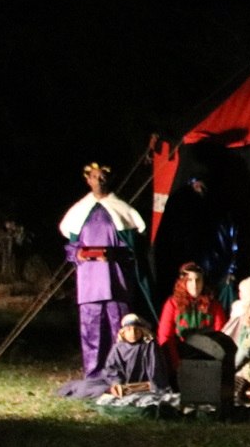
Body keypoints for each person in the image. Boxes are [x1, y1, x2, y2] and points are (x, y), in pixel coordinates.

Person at [58, 162, 147, 378]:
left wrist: (114, 254)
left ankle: (123, 373)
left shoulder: (122, 210)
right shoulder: (80, 211)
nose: (99, 181)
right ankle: (94, 374)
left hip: (116, 281)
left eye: (103, 177)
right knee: (91, 331)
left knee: (122, 328)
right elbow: (72, 246)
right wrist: (79, 254)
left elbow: (134, 249)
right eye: (95, 177)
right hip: (90, 283)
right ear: (88, 180)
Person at [56, 313, 169, 399]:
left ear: (142, 331)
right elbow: (111, 368)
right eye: (129, 329)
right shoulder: (118, 348)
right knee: (89, 387)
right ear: (123, 332)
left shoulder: (149, 346)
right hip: (120, 384)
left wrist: (153, 385)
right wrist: (117, 383)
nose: (133, 333)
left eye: (136, 330)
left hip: (144, 385)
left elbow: (156, 369)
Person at [156, 262, 227, 373]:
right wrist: (176, 364)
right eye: (189, 280)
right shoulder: (172, 304)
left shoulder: (213, 305)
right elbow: (165, 337)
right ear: (182, 282)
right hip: (181, 358)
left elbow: (222, 333)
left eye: (198, 280)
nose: (194, 284)